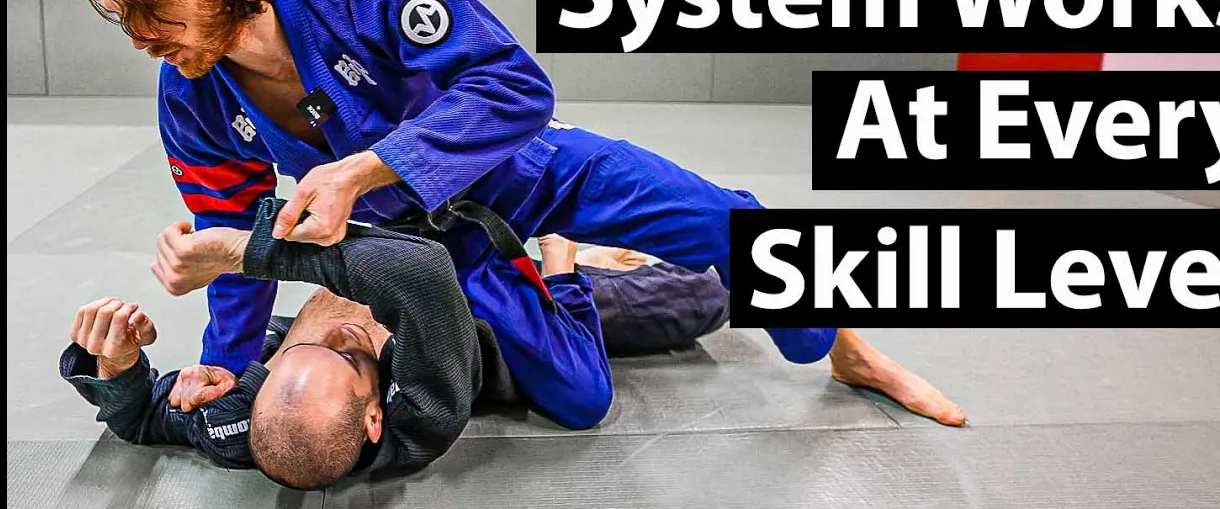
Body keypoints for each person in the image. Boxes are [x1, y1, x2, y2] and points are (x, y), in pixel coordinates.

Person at [56, 0, 965, 427]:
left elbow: (516, 87)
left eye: (150, 7)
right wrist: (225, 362)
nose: (140, 37)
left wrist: (362, 170)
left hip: (529, 171)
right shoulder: (191, 97)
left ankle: (841, 344)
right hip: (438, 242)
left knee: (729, 225)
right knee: (579, 402)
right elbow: (233, 234)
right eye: (120, 17)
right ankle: (568, 271)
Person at [62, 199, 732, 490]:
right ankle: (567, 265)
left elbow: (141, 420)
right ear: (375, 415)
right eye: (350, 358)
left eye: (298, 349)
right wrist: (247, 252)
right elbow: (421, 271)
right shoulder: (424, 410)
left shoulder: (239, 422)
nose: (340, 332)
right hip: (505, 320)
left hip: (410, 248)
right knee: (707, 295)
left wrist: (119, 364)